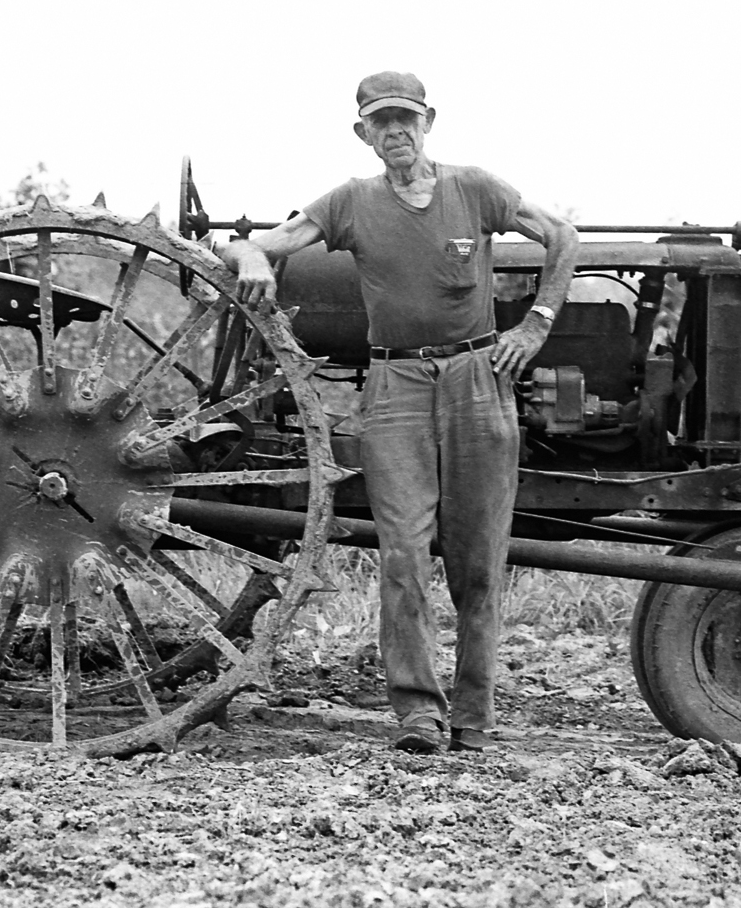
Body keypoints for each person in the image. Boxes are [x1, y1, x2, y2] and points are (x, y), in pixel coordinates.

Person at [219, 71, 580, 754]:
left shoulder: (474, 188)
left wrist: (535, 325)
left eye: (405, 120)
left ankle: (473, 715)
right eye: (380, 122)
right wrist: (252, 260)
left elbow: (562, 236)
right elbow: (251, 243)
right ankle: (417, 713)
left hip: (479, 379)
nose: (395, 133)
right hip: (395, 385)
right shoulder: (351, 203)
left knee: (478, 557)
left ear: (429, 122)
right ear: (363, 133)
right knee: (404, 554)